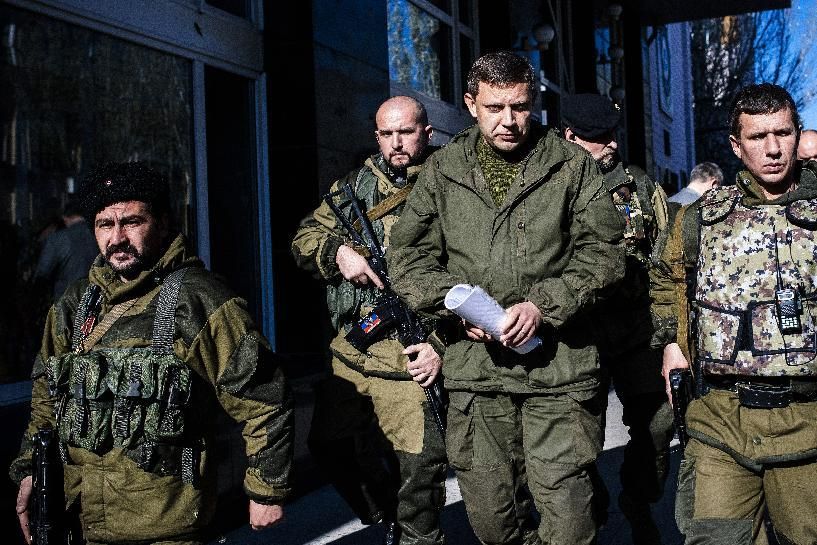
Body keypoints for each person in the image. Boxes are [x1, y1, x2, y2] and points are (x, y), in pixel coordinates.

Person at [387, 51, 625, 545]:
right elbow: (407, 256)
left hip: (558, 371)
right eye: (495, 107)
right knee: (493, 521)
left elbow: (605, 253)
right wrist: (451, 302)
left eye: (519, 107)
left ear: (534, 103)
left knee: (568, 520)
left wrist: (544, 305)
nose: (509, 121)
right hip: (477, 373)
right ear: (472, 104)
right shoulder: (444, 171)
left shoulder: (570, 165)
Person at [10, 162, 293, 544]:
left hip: (167, 526)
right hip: (81, 522)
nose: (117, 237)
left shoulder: (198, 301)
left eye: (131, 222)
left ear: (161, 223)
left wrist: (266, 490)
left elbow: (264, 398)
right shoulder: (74, 306)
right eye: (104, 225)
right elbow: (46, 398)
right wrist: (31, 468)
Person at [653, 83, 817, 545]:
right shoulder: (700, 218)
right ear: (735, 145)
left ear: (796, 134)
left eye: (783, 134)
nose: (772, 149)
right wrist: (672, 345)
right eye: (757, 136)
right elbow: (666, 281)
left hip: (808, 420)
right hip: (723, 417)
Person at [291, 95, 447, 545]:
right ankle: (386, 512)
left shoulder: (450, 183)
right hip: (357, 348)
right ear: (375, 136)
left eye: (407, 132)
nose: (396, 143)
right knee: (328, 444)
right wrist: (336, 252)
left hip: (414, 350)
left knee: (419, 470)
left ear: (427, 133)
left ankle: (415, 530)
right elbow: (306, 237)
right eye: (387, 134)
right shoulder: (355, 187)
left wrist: (441, 348)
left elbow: (480, 275)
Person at [562, 92, 673, 545]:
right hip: (577, 333)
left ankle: (638, 496)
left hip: (635, 329)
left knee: (658, 423)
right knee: (574, 438)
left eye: (612, 134)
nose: (610, 144)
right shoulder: (550, 185)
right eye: (597, 137)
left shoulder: (640, 185)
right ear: (570, 137)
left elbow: (666, 255)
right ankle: (592, 506)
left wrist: (669, 333)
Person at [33, 198, 99, 301]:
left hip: (66, 301)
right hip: (97, 299)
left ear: (65, 218)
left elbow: (43, 272)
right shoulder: (99, 235)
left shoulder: (57, 239)